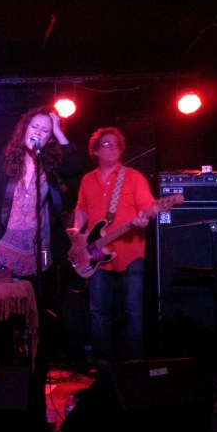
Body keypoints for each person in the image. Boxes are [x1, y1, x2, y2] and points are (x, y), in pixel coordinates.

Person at [0, 105, 84, 432]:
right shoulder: (2, 162)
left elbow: (77, 166)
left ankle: (34, 397)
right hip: (5, 249)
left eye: (45, 130)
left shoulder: (50, 166)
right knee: (5, 324)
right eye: (35, 126)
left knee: (38, 325)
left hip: (40, 253)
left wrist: (59, 130)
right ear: (24, 129)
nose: (39, 132)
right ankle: (7, 392)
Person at [68, 126, 155, 374]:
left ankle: (134, 363)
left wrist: (144, 218)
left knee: (132, 310)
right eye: (106, 144)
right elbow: (81, 209)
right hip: (96, 254)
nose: (113, 148)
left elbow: (148, 209)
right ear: (95, 151)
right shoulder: (88, 179)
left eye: (116, 144)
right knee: (99, 310)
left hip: (130, 252)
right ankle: (102, 362)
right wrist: (77, 231)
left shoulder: (134, 177)